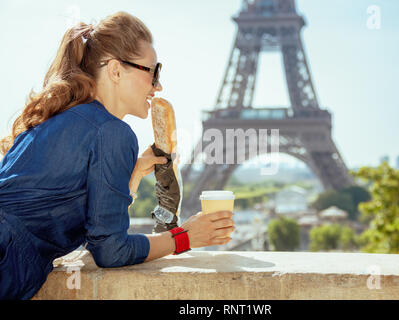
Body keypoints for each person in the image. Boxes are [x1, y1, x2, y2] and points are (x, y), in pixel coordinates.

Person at [0, 11, 234, 300]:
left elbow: (86, 220)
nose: (157, 86)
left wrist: (133, 173)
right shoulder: (113, 132)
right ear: (115, 70)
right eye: (153, 71)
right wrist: (185, 238)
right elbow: (111, 250)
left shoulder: (62, 118)